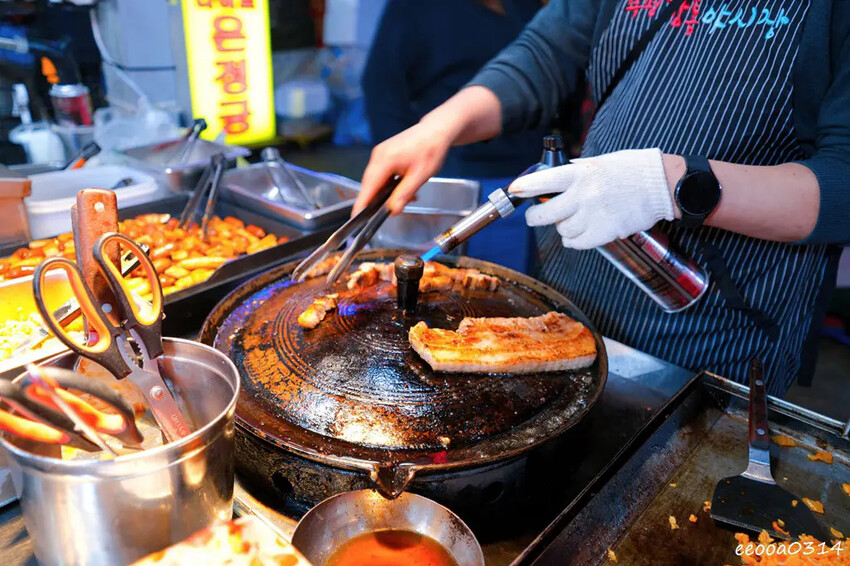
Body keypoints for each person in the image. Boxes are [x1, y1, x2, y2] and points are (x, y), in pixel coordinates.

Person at [353, 0, 850, 395]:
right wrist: (440, 126)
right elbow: (548, 52)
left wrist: (668, 182)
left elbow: (842, 181)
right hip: (571, 295)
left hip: (717, 333)